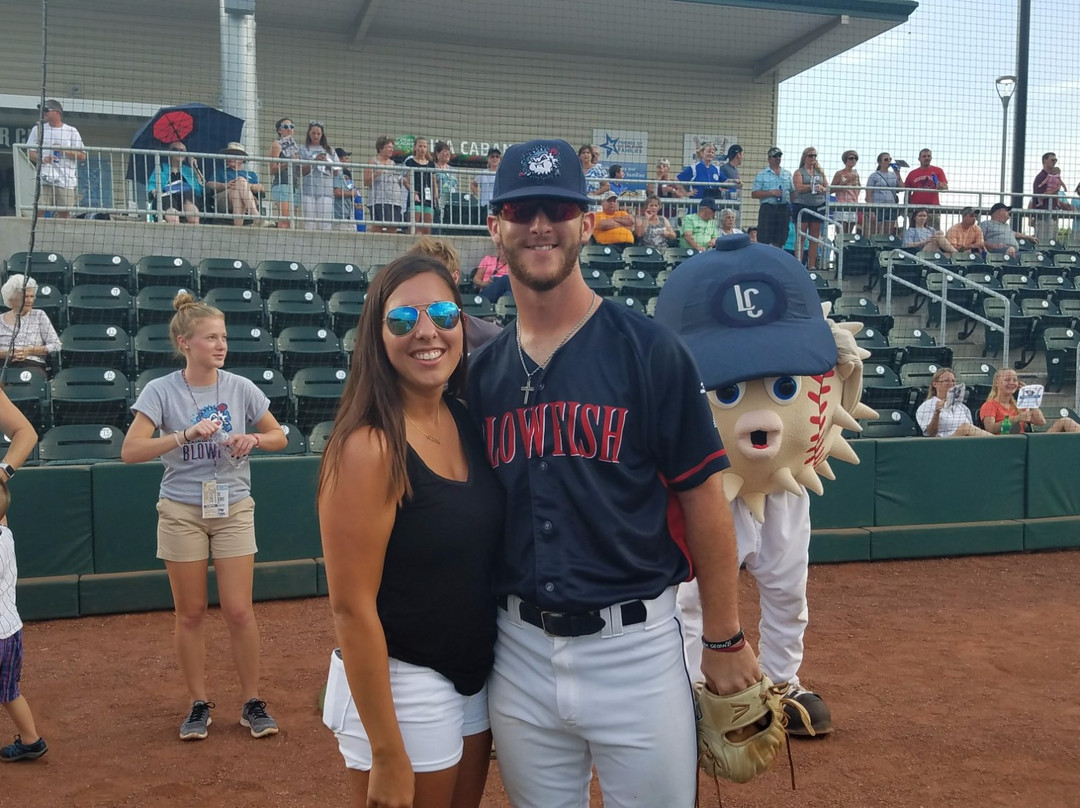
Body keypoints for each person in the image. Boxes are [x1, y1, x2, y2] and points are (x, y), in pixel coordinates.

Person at [468, 138, 760, 808]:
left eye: (558, 207)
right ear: (496, 226)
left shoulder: (650, 350)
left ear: (587, 220)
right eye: (521, 209)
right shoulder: (480, 374)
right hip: (517, 652)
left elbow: (706, 499)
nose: (540, 224)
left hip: (636, 652)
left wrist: (723, 636)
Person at [318, 253, 502, 808]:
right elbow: (350, 608)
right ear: (378, 335)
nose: (427, 332)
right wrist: (387, 752)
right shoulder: (367, 446)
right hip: (402, 682)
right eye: (402, 320)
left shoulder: (467, 417)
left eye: (444, 314)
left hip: (473, 675)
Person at [121, 292, 288, 741]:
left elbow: (279, 437)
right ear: (184, 343)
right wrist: (182, 435)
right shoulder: (160, 390)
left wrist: (253, 440)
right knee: (190, 613)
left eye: (224, 337)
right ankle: (198, 703)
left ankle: (252, 701)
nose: (220, 345)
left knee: (238, 610)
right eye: (210, 337)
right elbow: (131, 451)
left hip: (233, 505)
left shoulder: (239, 386)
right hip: (180, 509)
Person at [0, 391, 43, 762]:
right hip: (9, 628)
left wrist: (1, 473)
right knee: (9, 688)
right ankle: (30, 739)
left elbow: (25, 432)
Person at [409, 237, 503, 353]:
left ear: (454, 278)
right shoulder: (398, 330)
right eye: (417, 277)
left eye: (433, 277)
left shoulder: (493, 337)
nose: (424, 284)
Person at [24, 99, 85, 218]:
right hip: (44, 178)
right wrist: (42, 159)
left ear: (57, 112)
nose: (43, 113)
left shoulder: (71, 131)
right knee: (40, 208)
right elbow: (30, 153)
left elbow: (82, 155)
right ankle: (39, 233)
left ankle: (61, 234)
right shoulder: (38, 129)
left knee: (65, 211)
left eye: (46, 110)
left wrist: (64, 150)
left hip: (66, 179)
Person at [979, 369, 1080, 434]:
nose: (1012, 383)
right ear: (997, 383)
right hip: (1003, 444)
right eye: (1007, 380)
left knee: (1066, 421)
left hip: (1026, 445)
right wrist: (1017, 418)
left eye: (1015, 380)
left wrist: (1029, 397)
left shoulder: (1018, 405)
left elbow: (1041, 422)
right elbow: (990, 428)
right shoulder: (990, 405)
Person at [0, 275, 61, 372]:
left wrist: (29, 351)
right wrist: (7, 353)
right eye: (25, 297)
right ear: (11, 299)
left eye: (32, 296)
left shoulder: (39, 315)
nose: (30, 301)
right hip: (3, 364)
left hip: (32, 365)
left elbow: (56, 345)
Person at [205, 143, 272, 227]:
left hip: (245, 198)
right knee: (240, 182)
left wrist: (247, 185)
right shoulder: (220, 171)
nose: (232, 157)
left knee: (237, 190)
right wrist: (225, 185)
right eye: (230, 155)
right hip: (224, 200)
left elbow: (261, 188)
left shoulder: (251, 174)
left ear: (242, 159)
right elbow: (209, 184)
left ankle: (238, 227)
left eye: (235, 155)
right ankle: (256, 215)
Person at [915, 368, 990, 437]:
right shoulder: (926, 406)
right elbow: (931, 433)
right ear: (935, 384)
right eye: (947, 381)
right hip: (941, 443)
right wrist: (936, 413)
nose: (951, 384)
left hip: (964, 442)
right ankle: (996, 441)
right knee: (965, 427)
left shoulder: (962, 407)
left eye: (953, 381)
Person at [146, 142, 204, 224]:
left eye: (182, 150)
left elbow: (200, 189)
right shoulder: (160, 168)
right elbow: (151, 185)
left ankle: (194, 228)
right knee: (169, 202)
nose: (179, 152)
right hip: (167, 196)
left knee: (189, 197)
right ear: (169, 153)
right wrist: (154, 191)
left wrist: (195, 168)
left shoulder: (189, 170)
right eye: (175, 150)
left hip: (187, 196)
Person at [298, 121, 340, 231]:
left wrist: (328, 162)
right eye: (313, 133)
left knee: (325, 223)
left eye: (318, 134)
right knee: (309, 223)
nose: (316, 136)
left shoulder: (330, 150)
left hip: (325, 190)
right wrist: (313, 161)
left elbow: (337, 171)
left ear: (322, 135)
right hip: (308, 189)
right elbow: (301, 171)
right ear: (309, 134)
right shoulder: (303, 149)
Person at [791, 147, 828, 270]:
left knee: (814, 237)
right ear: (805, 157)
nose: (813, 158)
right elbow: (799, 188)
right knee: (801, 236)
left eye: (815, 156)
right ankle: (798, 264)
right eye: (810, 155)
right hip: (802, 205)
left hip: (818, 204)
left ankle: (811, 265)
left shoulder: (820, 173)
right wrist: (811, 186)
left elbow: (827, 188)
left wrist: (821, 189)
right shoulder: (799, 172)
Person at [751, 147, 794, 249]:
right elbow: (754, 194)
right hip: (768, 208)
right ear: (769, 158)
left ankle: (777, 259)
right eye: (775, 156)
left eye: (779, 156)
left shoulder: (787, 174)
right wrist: (770, 193)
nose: (777, 158)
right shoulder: (761, 175)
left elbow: (793, 192)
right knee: (764, 238)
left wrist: (791, 207)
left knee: (780, 238)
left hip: (783, 209)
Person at [367, 136, 408, 234]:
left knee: (393, 226)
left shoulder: (393, 163)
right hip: (379, 200)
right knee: (377, 226)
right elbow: (366, 181)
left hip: (394, 200)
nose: (391, 150)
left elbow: (400, 180)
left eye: (392, 148)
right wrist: (377, 173)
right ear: (381, 148)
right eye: (389, 147)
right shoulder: (373, 161)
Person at [268, 117, 300, 228]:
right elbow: (272, 168)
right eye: (285, 127)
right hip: (282, 184)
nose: (289, 129)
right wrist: (287, 163)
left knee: (291, 220)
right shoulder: (277, 144)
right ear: (279, 130)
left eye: (291, 126)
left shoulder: (293, 147)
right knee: (285, 217)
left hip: (294, 185)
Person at [1030, 152, 1067, 245]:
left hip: (1052, 215)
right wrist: (1056, 190)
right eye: (1052, 159)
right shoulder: (1041, 177)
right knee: (1042, 243)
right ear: (1045, 160)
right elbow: (1039, 195)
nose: (1054, 162)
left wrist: (1063, 205)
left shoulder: (1055, 176)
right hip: (1042, 216)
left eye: (1056, 160)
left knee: (1051, 243)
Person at [865, 152, 902, 235]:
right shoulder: (874, 175)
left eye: (890, 159)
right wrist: (871, 210)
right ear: (880, 162)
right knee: (875, 232)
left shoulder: (893, 175)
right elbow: (868, 194)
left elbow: (902, 188)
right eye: (886, 159)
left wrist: (898, 173)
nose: (888, 161)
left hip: (891, 206)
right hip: (878, 206)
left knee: (888, 232)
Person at [404, 137, 435, 234]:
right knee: (414, 226)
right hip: (415, 196)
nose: (422, 149)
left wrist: (435, 196)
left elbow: (434, 182)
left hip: (427, 196)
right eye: (420, 146)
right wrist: (412, 191)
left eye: (425, 146)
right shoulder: (410, 162)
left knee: (427, 227)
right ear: (415, 148)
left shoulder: (431, 164)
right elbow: (406, 181)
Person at [830, 150, 861, 233]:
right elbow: (831, 190)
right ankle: (838, 245)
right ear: (845, 160)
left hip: (853, 204)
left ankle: (846, 245)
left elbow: (859, 189)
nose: (853, 160)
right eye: (851, 158)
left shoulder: (856, 174)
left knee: (849, 232)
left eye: (855, 159)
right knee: (841, 230)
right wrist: (845, 182)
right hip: (841, 204)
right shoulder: (839, 173)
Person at [333, 147, 361, 232]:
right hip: (339, 212)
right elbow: (336, 192)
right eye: (345, 158)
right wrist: (352, 193)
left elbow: (349, 188)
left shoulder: (347, 172)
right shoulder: (336, 172)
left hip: (349, 210)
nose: (347, 160)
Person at [432, 140, 458, 230]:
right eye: (444, 151)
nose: (447, 154)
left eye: (448, 152)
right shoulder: (433, 167)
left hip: (451, 202)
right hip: (438, 201)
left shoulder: (452, 169)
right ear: (437, 154)